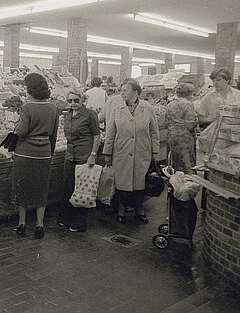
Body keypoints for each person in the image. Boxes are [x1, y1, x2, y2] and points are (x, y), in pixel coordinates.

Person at [103, 79, 159, 224]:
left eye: (125, 90)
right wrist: (107, 153)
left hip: (142, 151)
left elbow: (154, 132)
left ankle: (139, 209)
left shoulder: (148, 108)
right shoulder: (117, 109)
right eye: (121, 90)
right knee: (121, 182)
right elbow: (110, 133)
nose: (122, 93)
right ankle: (121, 209)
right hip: (121, 151)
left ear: (135, 92)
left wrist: (155, 152)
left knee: (140, 182)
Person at [11, 73, 59, 239]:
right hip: (44, 153)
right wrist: (50, 153)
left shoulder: (27, 107)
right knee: (41, 189)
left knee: (23, 188)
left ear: (30, 88)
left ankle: (22, 223)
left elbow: (22, 131)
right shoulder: (53, 108)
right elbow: (54, 135)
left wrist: (16, 125)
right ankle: (40, 224)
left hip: (25, 153)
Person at [57, 88, 101, 232]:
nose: (73, 103)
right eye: (70, 101)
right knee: (68, 187)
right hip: (70, 155)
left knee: (82, 188)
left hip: (84, 155)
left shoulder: (90, 114)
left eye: (76, 100)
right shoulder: (68, 115)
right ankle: (65, 218)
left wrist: (93, 154)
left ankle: (79, 222)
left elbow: (96, 136)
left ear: (83, 100)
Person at [165, 83, 198, 173]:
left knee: (174, 162)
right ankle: (189, 183)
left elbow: (166, 123)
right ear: (189, 93)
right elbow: (189, 125)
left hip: (171, 135)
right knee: (187, 163)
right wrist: (197, 120)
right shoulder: (188, 104)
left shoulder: (170, 104)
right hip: (184, 137)